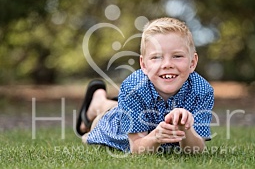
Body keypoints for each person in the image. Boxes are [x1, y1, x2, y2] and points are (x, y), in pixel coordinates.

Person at [77, 17, 214, 154]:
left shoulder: (202, 91)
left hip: (136, 106)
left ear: (192, 62)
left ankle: (99, 100)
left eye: (177, 56)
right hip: (117, 125)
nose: (167, 64)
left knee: (122, 105)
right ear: (144, 65)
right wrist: (156, 137)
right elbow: (136, 148)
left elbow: (196, 150)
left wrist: (185, 128)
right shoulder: (132, 88)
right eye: (156, 57)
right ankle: (97, 102)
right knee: (110, 114)